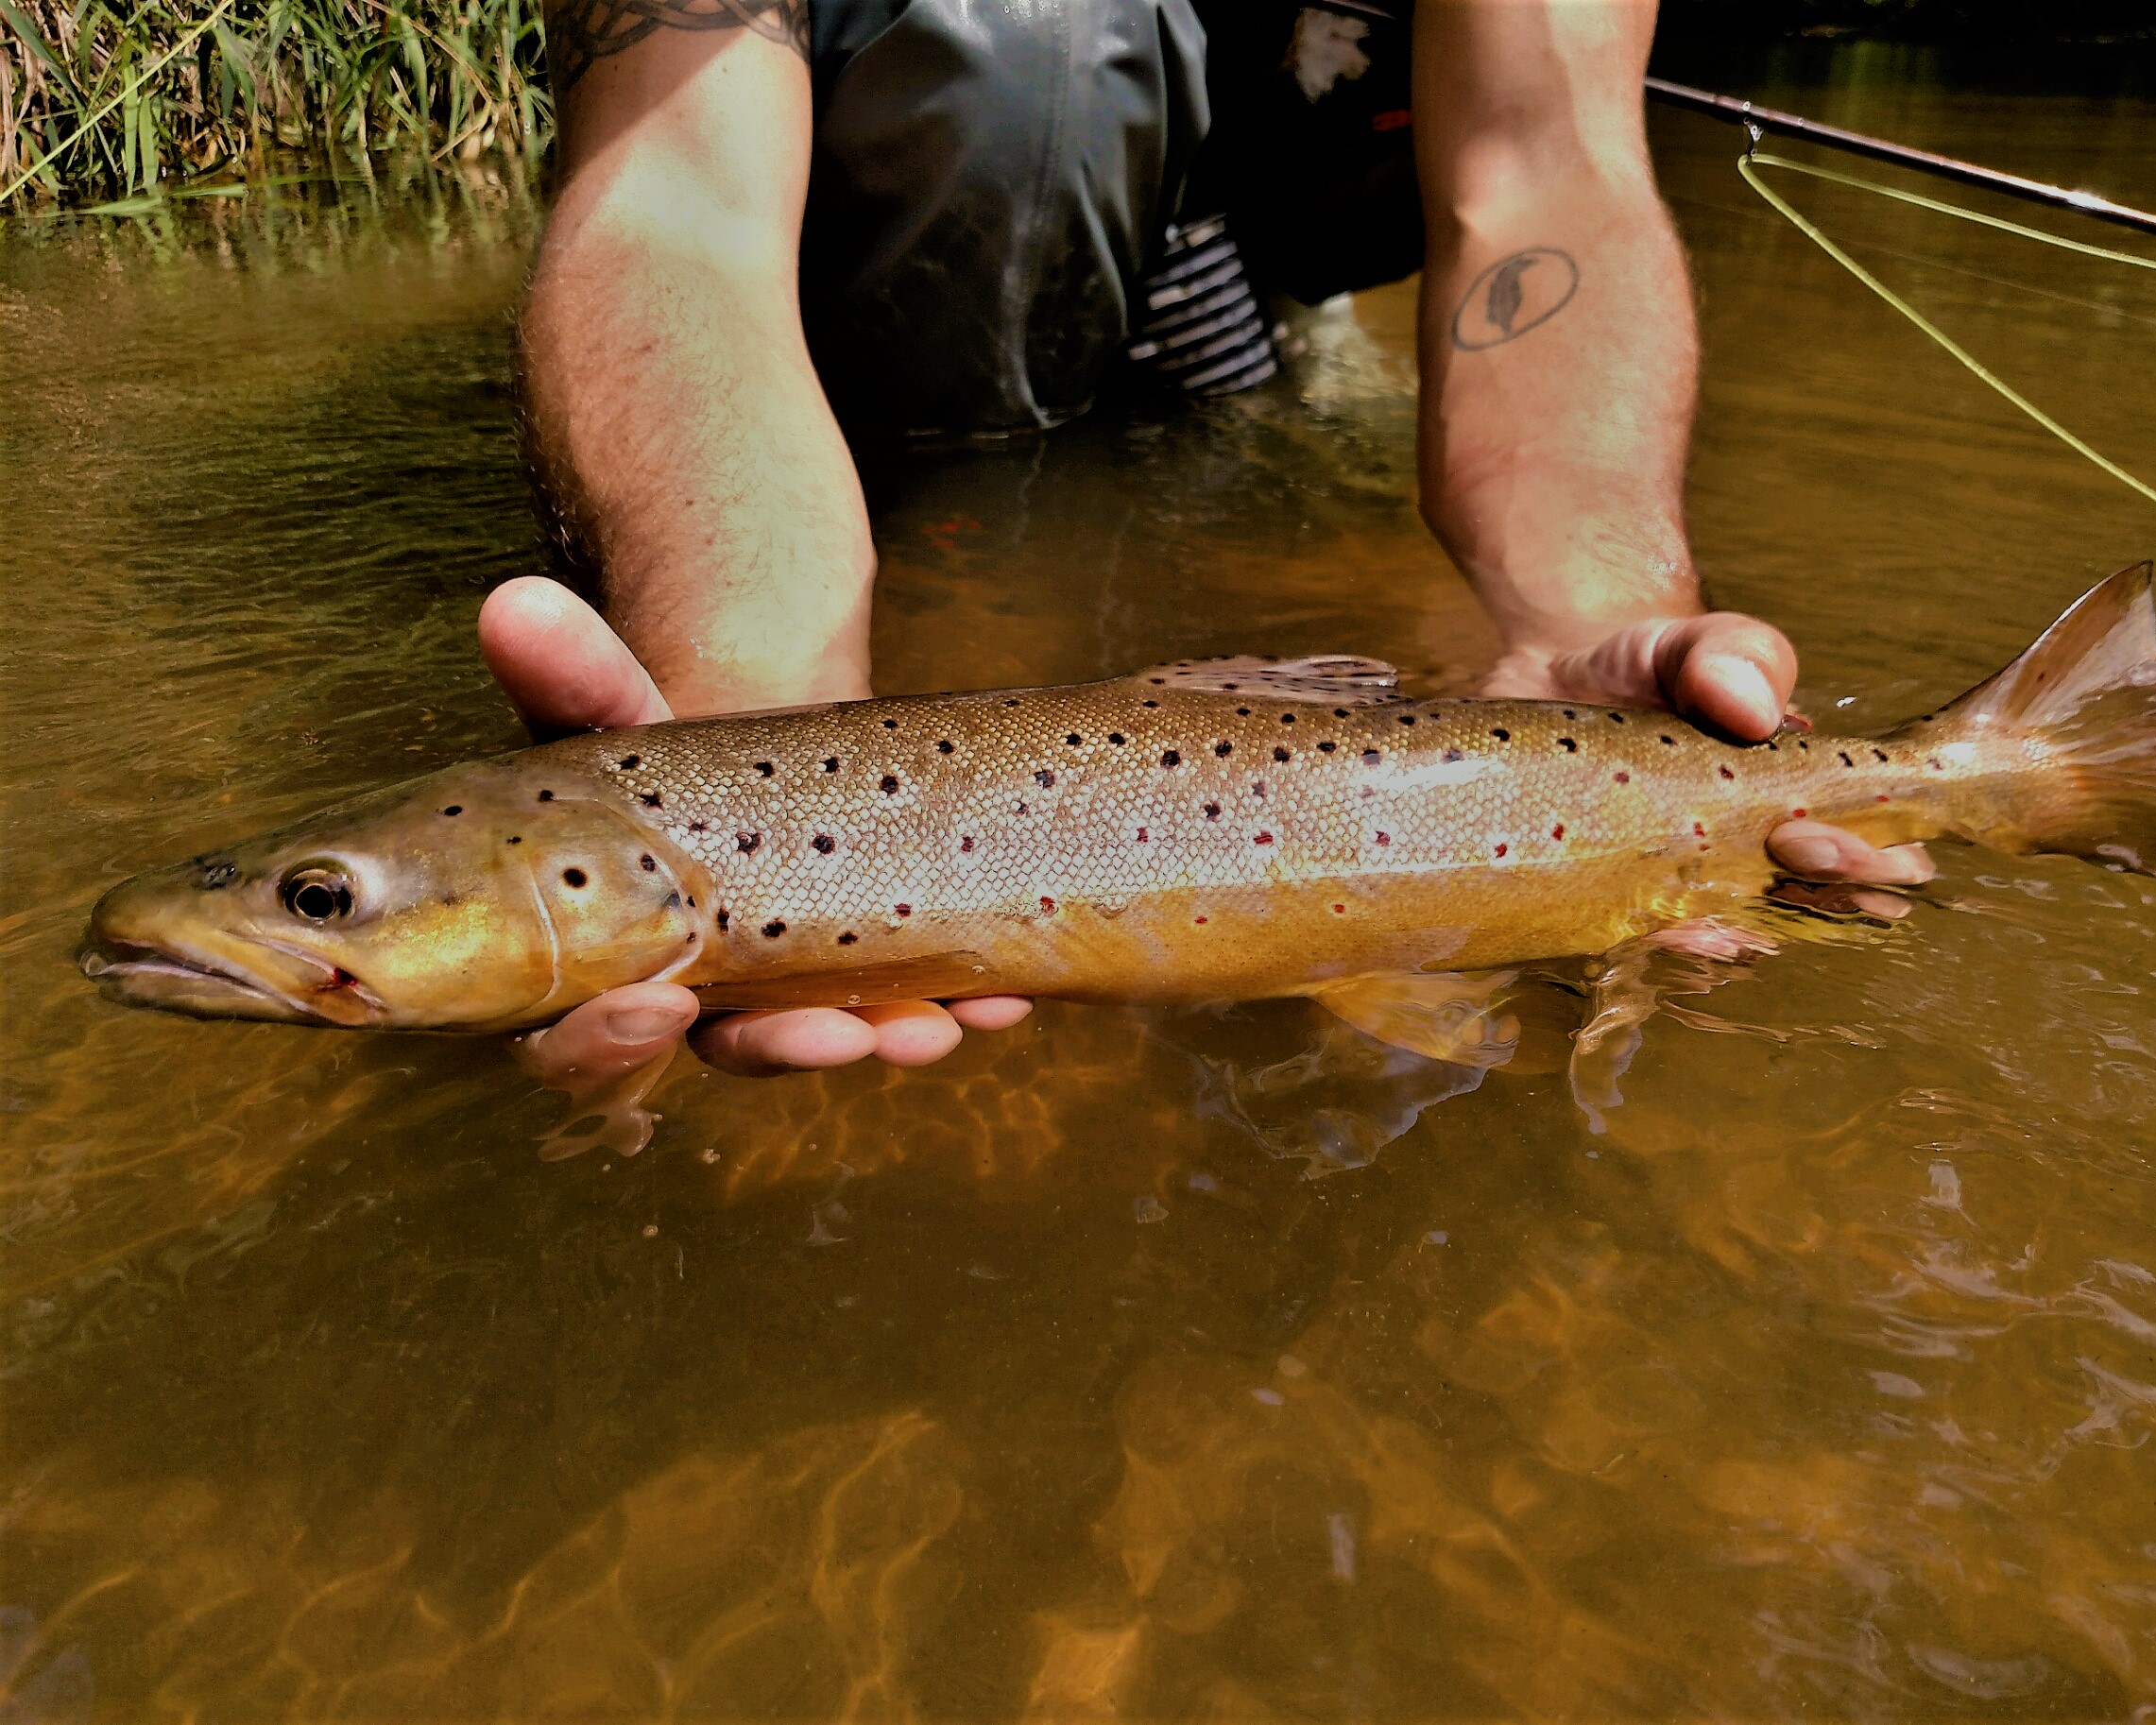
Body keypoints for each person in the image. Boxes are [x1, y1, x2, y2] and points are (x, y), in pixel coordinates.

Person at [479, 0, 1932, 1090]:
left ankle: (1236, 334)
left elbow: (1542, 164)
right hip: (926, 166)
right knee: (1027, 39)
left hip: (1292, 163)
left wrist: (1592, 614)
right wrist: (750, 710)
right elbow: (678, 195)